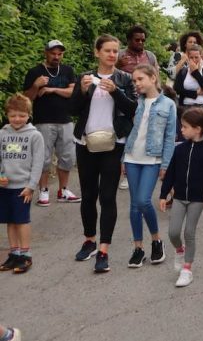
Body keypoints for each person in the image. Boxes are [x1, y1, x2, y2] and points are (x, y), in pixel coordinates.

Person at [70, 34, 137, 273]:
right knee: (88, 195)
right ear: (96, 52)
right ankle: (89, 240)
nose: (112, 55)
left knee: (107, 196)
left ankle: (104, 250)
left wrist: (116, 91)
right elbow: (72, 110)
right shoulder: (85, 77)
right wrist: (80, 90)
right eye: (107, 50)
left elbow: (133, 110)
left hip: (113, 143)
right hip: (85, 142)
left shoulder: (125, 78)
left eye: (115, 51)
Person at [123, 64, 176, 268]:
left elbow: (170, 137)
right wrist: (123, 159)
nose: (136, 84)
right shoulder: (137, 103)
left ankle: (156, 241)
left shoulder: (168, 104)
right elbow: (134, 131)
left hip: (152, 159)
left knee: (144, 200)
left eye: (140, 79)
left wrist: (166, 164)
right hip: (131, 156)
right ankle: (138, 248)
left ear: (153, 78)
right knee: (134, 206)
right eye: (134, 81)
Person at [159, 107, 203, 287]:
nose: (181, 130)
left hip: (196, 199)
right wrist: (163, 194)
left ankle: (187, 269)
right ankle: (179, 250)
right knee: (173, 232)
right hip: (178, 198)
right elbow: (170, 173)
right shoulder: (180, 150)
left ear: (197, 129)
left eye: (184, 127)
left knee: (189, 232)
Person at [22, 39, 80, 206]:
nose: (56, 56)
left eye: (59, 54)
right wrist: (36, 85)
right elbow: (27, 99)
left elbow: (72, 92)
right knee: (44, 158)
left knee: (68, 157)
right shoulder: (35, 72)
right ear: (45, 53)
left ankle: (63, 190)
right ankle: (44, 191)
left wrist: (52, 89)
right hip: (43, 121)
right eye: (53, 53)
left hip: (66, 120)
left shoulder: (68, 70)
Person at [0, 94, 44, 274]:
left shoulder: (35, 136)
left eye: (21, 115)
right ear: (7, 115)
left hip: (23, 187)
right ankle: (14, 253)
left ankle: (25, 255)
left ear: (28, 115)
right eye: (13, 116)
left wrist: (31, 186)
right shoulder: (2, 134)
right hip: (4, 186)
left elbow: (38, 163)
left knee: (22, 220)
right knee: (10, 221)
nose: (17, 119)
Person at [173, 44, 203, 109]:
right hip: (185, 107)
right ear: (188, 58)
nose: (194, 60)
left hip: (202, 107)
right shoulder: (183, 71)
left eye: (196, 57)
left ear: (200, 57)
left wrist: (196, 72)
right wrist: (195, 93)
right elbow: (177, 89)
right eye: (191, 57)